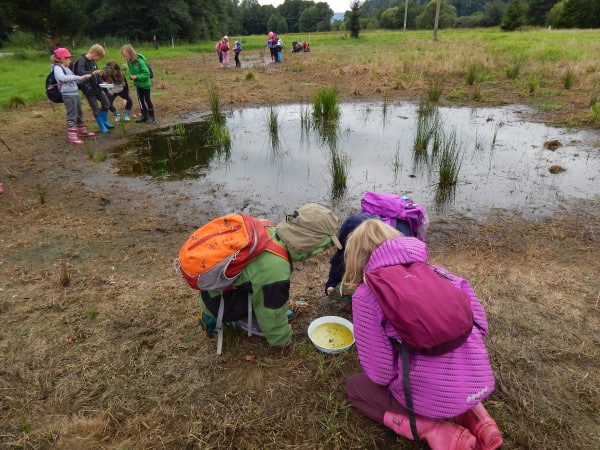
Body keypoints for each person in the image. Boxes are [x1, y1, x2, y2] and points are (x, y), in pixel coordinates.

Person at [343, 219, 503, 450]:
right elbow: (481, 326)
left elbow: (381, 374)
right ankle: (480, 420)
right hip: (478, 380)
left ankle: (437, 431)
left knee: (356, 387)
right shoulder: (443, 274)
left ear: (356, 258)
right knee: (452, 372)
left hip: (429, 400)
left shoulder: (366, 295)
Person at [198, 203, 342, 348]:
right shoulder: (275, 268)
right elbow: (271, 310)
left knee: (271, 293)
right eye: (322, 246)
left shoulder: (267, 228)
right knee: (272, 302)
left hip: (215, 292)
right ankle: (223, 321)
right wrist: (283, 340)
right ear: (308, 241)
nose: (321, 252)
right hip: (218, 303)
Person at [50, 47, 95, 145]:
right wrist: (78, 77)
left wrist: (84, 78)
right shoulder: (57, 68)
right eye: (68, 58)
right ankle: (72, 136)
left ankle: (82, 131)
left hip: (74, 93)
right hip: (67, 94)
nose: (70, 61)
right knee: (72, 114)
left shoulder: (66, 68)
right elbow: (62, 78)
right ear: (62, 58)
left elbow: (74, 79)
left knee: (79, 112)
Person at [74, 44, 114, 133]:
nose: (99, 60)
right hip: (88, 89)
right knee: (95, 108)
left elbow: (98, 74)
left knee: (106, 103)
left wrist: (102, 82)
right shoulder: (82, 60)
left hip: (97, 87)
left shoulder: (93, 61)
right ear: (95, 54)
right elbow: (80, 72)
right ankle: (102, 127)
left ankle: (105, 121)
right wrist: (92, 72)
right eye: (99, 57)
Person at [120, 44, 155, 124]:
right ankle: (144, 115)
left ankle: (151, 116)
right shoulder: (129, 62)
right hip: (138, 85)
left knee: (147, 100)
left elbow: (147, 74)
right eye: (124, 56)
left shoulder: (140, 62)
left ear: (131, 53)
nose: (125, 58)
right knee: (140, 101)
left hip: (145, 85)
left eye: (126, 56)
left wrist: (136, 76)